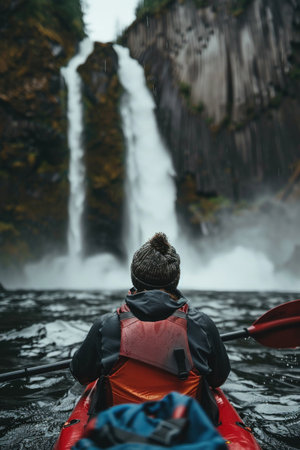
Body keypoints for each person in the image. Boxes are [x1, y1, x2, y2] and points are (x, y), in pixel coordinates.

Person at [70, 232, 230, 425]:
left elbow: (82, 374)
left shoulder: (107, 326)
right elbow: (217, 378)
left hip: (120, 433)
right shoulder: (202, 324)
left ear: (134, 277)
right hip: (185, 432)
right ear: (176, 277)